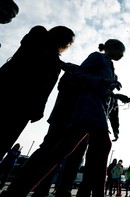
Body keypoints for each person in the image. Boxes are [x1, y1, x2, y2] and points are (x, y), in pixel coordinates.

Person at [0, 38, 126, 197]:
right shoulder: (98, 57)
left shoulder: (111, 67)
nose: (122, 54)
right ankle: (16, 196)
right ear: (110, 47)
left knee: (64, 152)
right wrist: (103, 82)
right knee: (65, 151)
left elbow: (103, 90)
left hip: (97, 110)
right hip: (88, 108)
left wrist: (116, 94)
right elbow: (79, 74)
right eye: (121, 49)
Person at [0, 25, 75, 161]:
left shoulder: (57, 64)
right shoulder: (39, 35)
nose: (67, 44)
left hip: (24, 107)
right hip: (7, 92)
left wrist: (39, 108)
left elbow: (45, 90)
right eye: (67, 41)